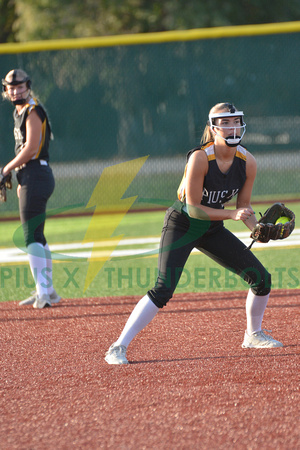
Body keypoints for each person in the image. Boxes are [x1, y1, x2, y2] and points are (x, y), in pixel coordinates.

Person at [105, 102, 283, 364]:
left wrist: (257, 229)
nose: (232, 127)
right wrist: (230, 215)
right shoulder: (200, 157)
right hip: (182, 224)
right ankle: (118, 347)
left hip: (212, 229)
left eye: (236, 121)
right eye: (225, 122)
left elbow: (243, 207)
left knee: (261, 279)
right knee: (163, 289)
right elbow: (194, 209)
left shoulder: (248, 161)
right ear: (213, 128)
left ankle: (253, 335)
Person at [1, 69, 61, 309]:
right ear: (6, 90)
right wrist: (18, 176)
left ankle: (43, 294)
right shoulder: (21, 111)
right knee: (38, 235)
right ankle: (48, 291)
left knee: (30, 236)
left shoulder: (32, 110)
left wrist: (6, 169)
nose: (15, 90)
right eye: (11, 87)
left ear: (28, 86)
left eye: (20, 86)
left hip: (36, 172)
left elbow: (31, 148)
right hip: (32, 175)